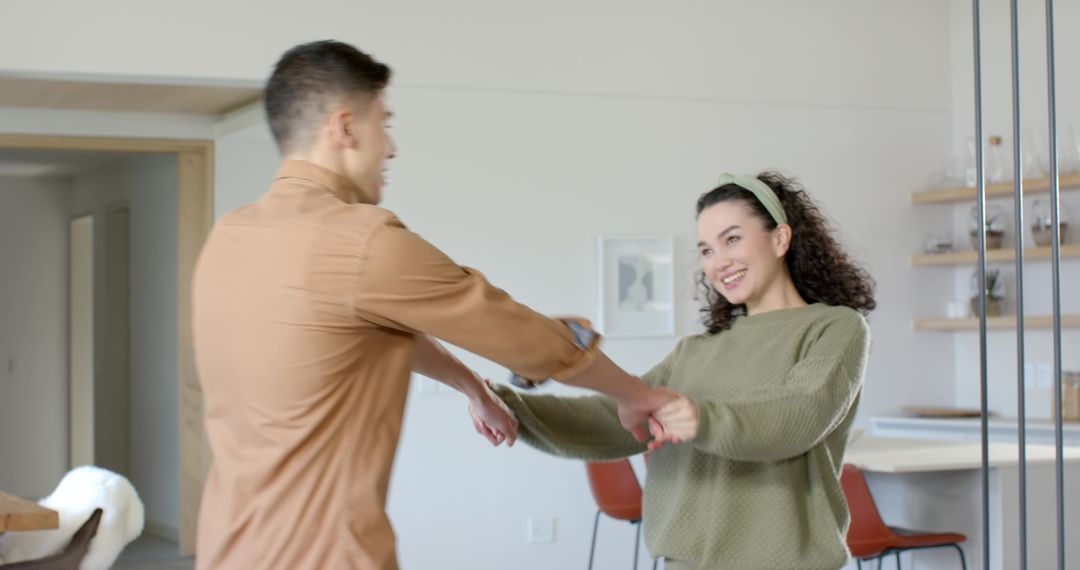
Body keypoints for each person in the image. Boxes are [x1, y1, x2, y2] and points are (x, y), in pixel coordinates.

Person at [191, 40, 672, 570]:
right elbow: (532, 340)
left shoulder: (228, 238)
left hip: (226, 545)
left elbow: (362, 329)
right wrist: (634, 394)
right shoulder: (361, 241)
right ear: (345, 127)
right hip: (324, 554)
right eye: (384, 123)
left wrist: (472, 388)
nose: (391, 148)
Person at [487, 171, 876, 570]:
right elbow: (616, 420)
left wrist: (699, 419)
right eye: (706, 250)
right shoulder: (695, 352)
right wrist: (511, 408)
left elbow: (798, 415)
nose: (719, 261)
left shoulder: (835, 328)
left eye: (732, 239)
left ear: (780, 238)